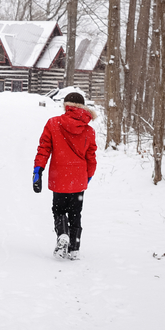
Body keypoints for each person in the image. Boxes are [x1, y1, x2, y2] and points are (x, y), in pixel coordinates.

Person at [32, 91, 97, 260]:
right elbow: (91, 157)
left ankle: (62, 234)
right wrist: (88, 176)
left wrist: (38, 170)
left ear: (66, 106)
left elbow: (44, 148)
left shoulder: (53, 124)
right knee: (76, 213)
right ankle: (74, 249)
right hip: (79, 178)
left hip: (59, 176)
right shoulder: (89, 131)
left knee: (59, 210)